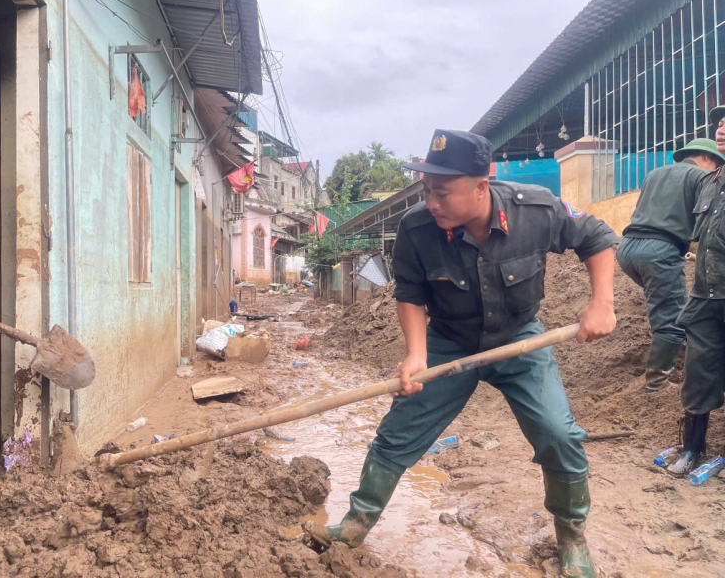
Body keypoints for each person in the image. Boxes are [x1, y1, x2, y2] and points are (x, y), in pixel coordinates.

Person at [302, 130, 617, 578]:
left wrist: (601, 303)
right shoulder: (416, 230)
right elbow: (409, 294)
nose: (433, 203)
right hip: (449, 340)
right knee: (398, 432)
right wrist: (416, 354)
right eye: (428, 191)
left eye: (443, 193)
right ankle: (355, 524)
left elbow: (598, 238)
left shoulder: (536, 210)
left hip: (519, 338)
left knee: (559, 435)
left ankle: (572, 539)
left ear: (481, 186)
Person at [616, 139, 724, 392]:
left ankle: (681, 348)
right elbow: (708, 220)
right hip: (659, 250)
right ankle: (657, 383)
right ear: (709, 159)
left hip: (627, 248)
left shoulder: (655, 173)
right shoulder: (701, 176)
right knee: (673, 322)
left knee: (674, 304)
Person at [666, 109, 725, 476]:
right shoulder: (709, 182)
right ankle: (693, 449)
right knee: (698, 373)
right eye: (720, 122)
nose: (721, 129)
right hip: (705, 298)